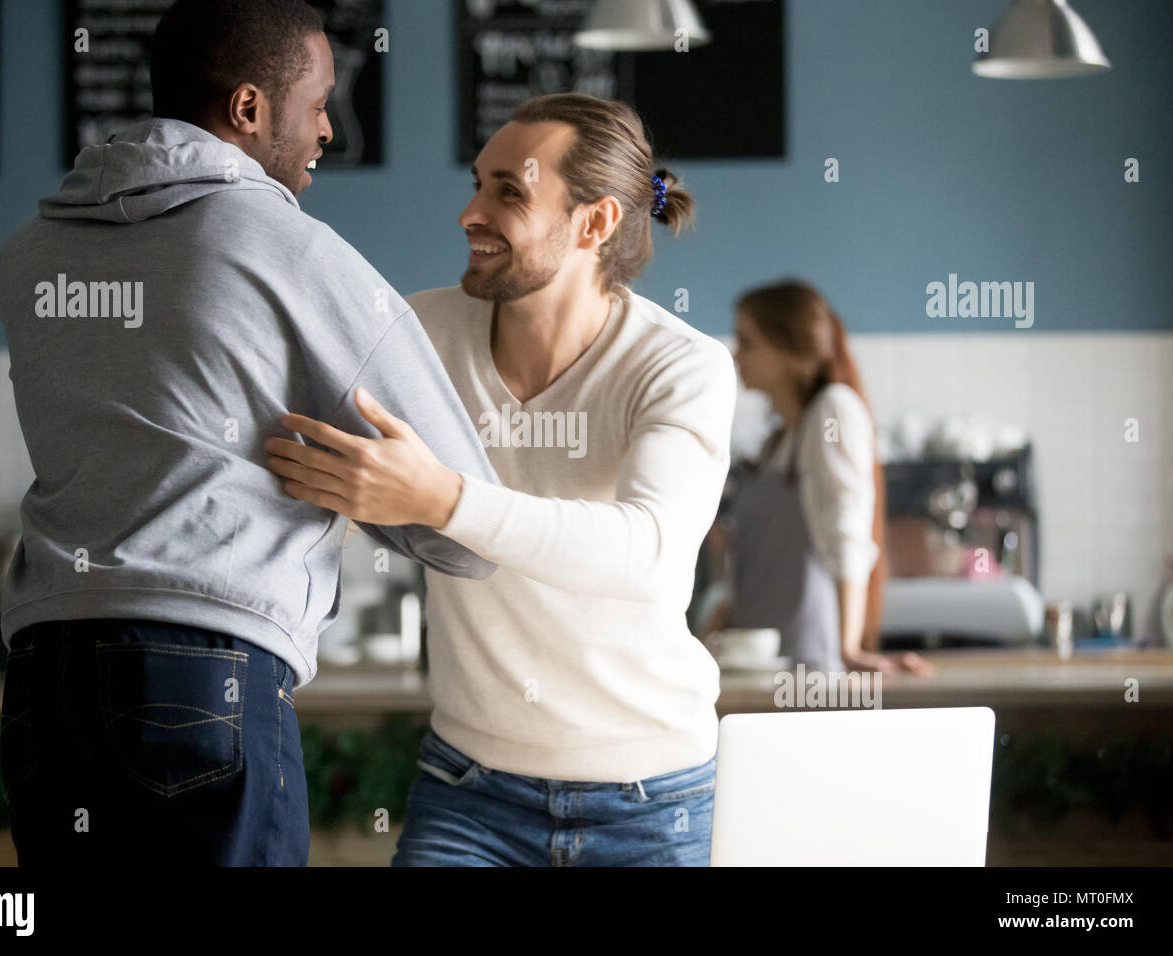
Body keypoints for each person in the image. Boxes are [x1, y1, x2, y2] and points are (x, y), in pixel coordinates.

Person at [0, 0, 498, 867]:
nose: (329, 130)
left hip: (46, 673)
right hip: (205, 667)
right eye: (319, 103)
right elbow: (462, 517)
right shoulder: (285, 247)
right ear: (250, 109)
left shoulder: (29, 253)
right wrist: (359, 488)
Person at [265, 93, 738, 866]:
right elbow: (302, 453)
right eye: (476, 184)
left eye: (508, 192)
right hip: (470, 790)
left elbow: (647, 551)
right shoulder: (415, 335)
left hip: (653, 799)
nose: (469, 214)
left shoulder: (679, 365)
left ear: (595, 224)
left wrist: (441, 500)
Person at [704, 280, 932, 676]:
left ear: (790, 351)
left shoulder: (832, 411)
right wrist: (725, 614)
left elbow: (847, 531)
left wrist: (848, 649)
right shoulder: (777, 442)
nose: (736, 354)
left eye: (748, 342)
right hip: (760, 663)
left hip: (809, 664)